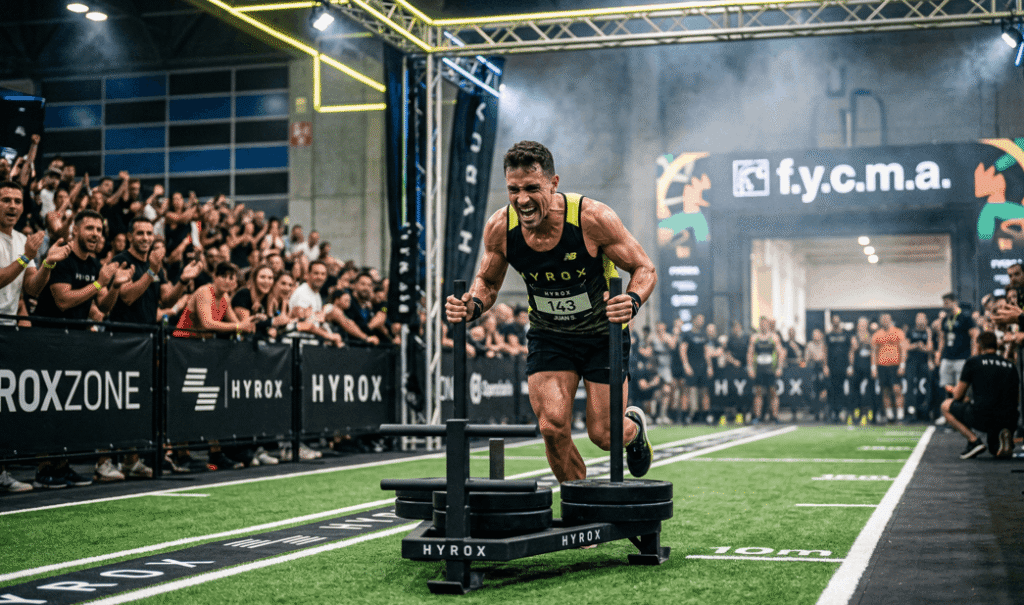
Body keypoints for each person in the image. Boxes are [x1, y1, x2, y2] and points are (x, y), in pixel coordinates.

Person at [445, 140, 657, 483]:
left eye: (532, 188)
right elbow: (487, 281)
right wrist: (472, 304)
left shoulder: (591, 218)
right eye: (514, 190)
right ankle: (579, 505)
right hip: (550, 337)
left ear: (554, 184)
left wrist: (631, 300)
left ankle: (634, 432)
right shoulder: (501, 227)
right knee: (552, 426)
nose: (522, 200)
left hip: (602, 335)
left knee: (604, 435)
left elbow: (645, 268)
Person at [941, 331, 1019, 459]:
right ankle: (1005, 434)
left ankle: (974, 441)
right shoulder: (1010, 365)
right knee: (995, 450)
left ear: (979, 345)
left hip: (983, 416)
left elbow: (957, 396)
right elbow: (1016, 399)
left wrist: (953, 390)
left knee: (945, 405)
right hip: (1009, 418)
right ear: (996, 345)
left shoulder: (973, 362)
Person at [109, 216, 200, 325]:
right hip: (125, 334)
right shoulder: (121, 261)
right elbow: (128, 297)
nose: (145, 238)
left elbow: (167, 301)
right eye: (140, 233)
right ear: (129, 236)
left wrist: (182, 281)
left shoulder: (154, 263)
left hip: (149, 334)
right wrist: (151, 272)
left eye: (149, 233)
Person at [937, 293, 979, 402]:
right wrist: (939, 354)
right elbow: (941, 338)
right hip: (947, 357)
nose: (944, 305)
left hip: (962, 358)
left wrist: (973, 355)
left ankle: (960, 413)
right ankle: (948, 411)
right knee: (947, 387)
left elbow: (974, 336)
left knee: (961, 389)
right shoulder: (945, 319)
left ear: (955, 302)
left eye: (947, 303)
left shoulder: (965, 317)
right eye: (944, 303)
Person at [747, 315, 785, 423]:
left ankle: (774, 416)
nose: (763, 325)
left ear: (768, 324)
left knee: (773, 393)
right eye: (762, 323)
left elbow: (781, 353)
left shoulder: (774, 337)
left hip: (770, 370)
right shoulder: (754, 338)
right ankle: (757, 417)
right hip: (759, 369)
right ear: (760, 325)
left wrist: (779, 367)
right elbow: (750, 353)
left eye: (765, 323)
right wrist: (750, 368)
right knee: (758, 393)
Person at [871, 313, 907, 423]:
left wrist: (902, 365)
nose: (885, 321)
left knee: (897, 390)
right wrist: (873, 368)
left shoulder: (898, 332)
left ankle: (900, 416)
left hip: (895, 366)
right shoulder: (877, 334)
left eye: (887, 319)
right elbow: (873, 352)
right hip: (882, 366)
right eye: (883, 319)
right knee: (885, 391)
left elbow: (903, 349)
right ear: (880, 321)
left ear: (891, 320)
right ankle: (890, 416)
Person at [680, 313, 711, 424]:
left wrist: (709, 367)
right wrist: (686, 365)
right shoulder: (687, 334)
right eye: (699, 319)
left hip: (702, 367)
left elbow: (706, 352)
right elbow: (682, 350)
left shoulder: (704, 335)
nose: (701, 321)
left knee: (704, 392)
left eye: (702, 320)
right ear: (694, 320)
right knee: (687, 391)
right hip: (691, 366)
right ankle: (684, 417)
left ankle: (705, 417)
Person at [905, 312, 933, 420]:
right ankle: (912, 412)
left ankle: (924, 412)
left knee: (925, 387)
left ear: (926, 320)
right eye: (918, 318)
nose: (920, 320)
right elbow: (906, 346)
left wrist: (924, 347)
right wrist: (917, 345)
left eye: (922, 318)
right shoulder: (910, 331)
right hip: (912, 363)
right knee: (911, 386)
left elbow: (930, 348)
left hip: (924, 363)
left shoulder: (928, 331)